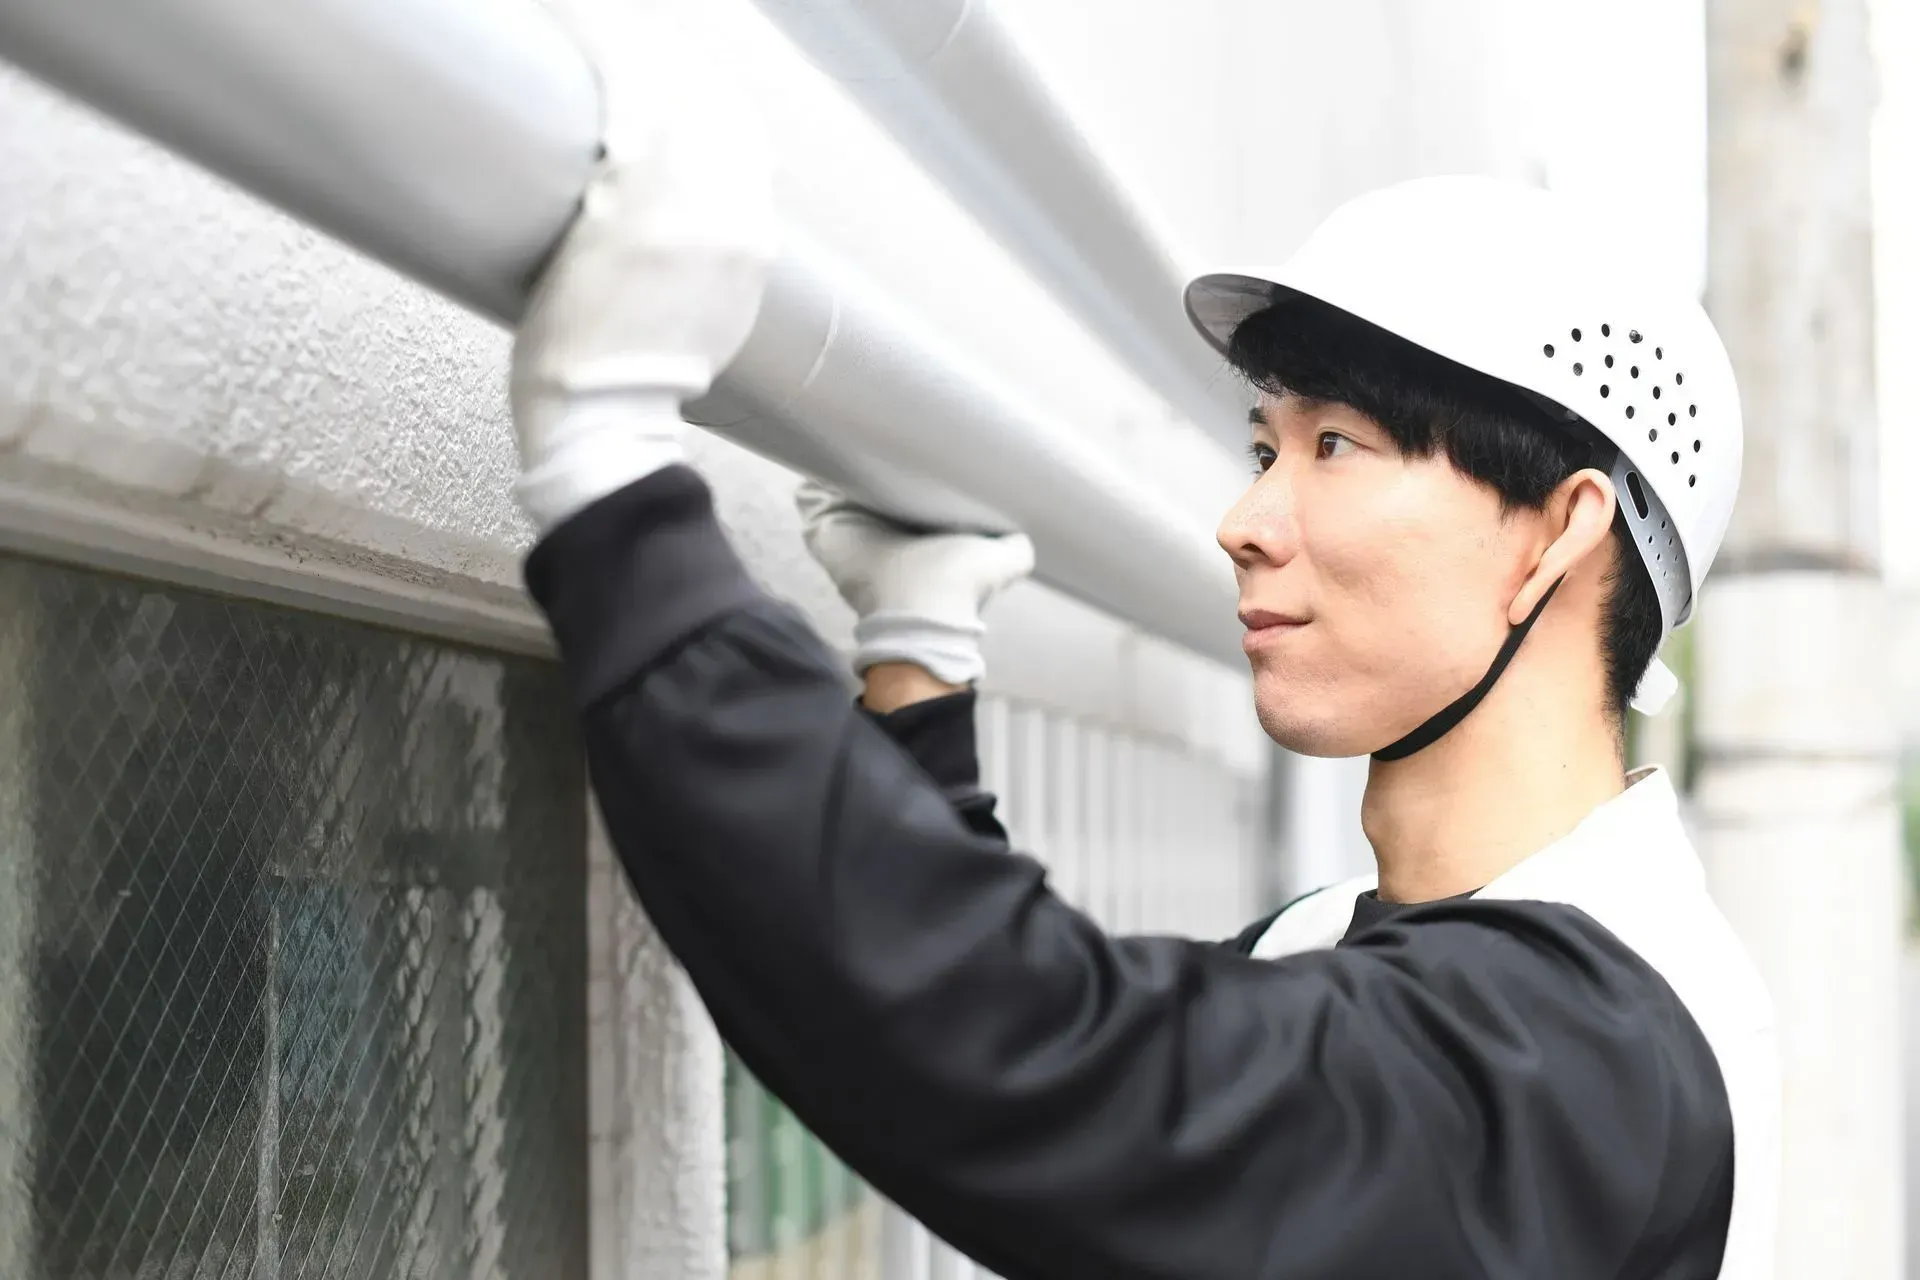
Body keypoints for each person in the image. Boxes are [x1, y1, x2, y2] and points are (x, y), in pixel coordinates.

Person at [507, 65, 1777, 1278]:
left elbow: (1077, 1080)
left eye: (1335, 443)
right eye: (1264, 444)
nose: (1246, 517)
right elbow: (1020, 1103)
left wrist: (616, 495)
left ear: (1560, 531)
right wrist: (917, 669)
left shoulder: (1596, 1054)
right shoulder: (1337, 940)